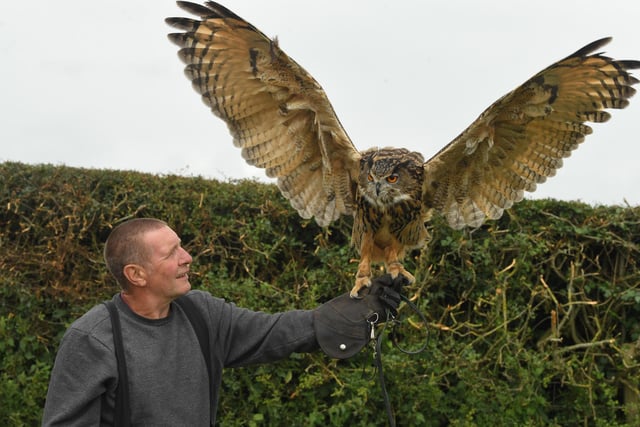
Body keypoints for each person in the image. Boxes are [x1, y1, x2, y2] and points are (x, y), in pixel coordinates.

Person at [42, 218, 404, 425]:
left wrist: (359, 309)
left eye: (181, 245)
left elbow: (276, 332)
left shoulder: (201, 314)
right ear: (136, 274)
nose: (187, 257)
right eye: (172, 253)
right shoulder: (94, 339)